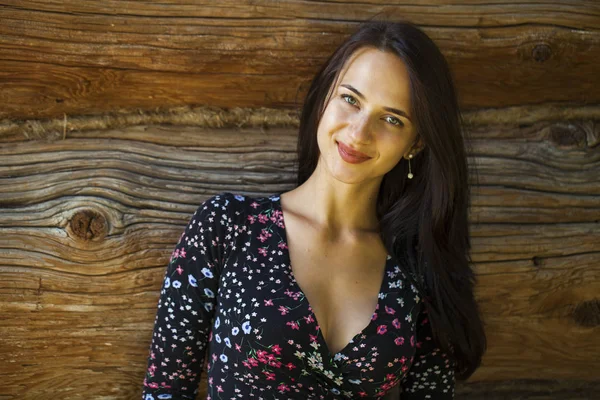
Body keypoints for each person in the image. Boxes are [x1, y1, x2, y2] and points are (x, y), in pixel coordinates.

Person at [141, 20, 486, 400]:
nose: (358, 132)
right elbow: (166, 389)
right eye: (351, 99)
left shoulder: (417, 267)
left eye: (391, 119)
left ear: (415, 143)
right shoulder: (228, 225)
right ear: (325, 97)